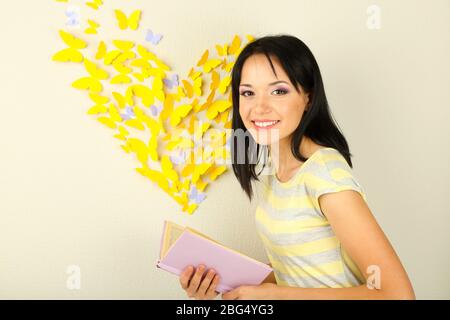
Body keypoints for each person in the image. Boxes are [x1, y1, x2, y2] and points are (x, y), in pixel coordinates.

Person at [179, 34, 415, 300]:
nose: (259, 107)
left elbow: (397, 294)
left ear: (308, 99)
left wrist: (277, 296)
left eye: (278, 91)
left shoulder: (325, 174)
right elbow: (296, 274)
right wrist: (218, 280)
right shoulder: (274, 171)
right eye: (248, 93)